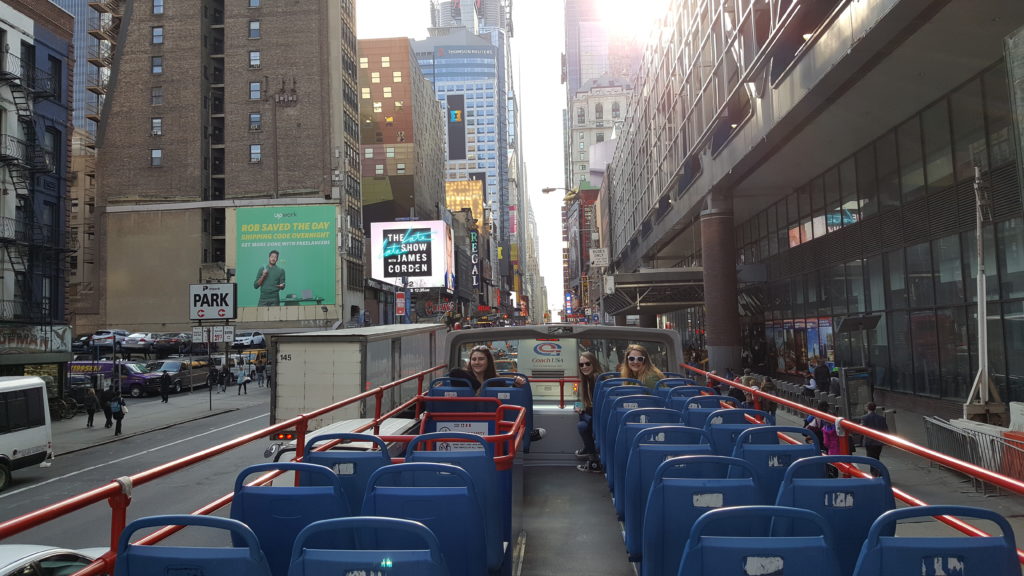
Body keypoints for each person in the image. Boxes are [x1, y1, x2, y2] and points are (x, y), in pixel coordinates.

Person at [449, 345, 545, 442]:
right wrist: (479, 386)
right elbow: (454, 372)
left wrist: (516, 385)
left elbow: (508, 396)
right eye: (474, 359)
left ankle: (524, 432)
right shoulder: (464, 379)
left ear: (488, 361)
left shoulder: (496, 380)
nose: (477, 362)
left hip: (492, 419)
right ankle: (523, 434)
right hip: (468, 420)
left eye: (481, 359)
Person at [574, 351, 603, 472]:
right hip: (597, 416)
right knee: (582, 423)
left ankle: (593, 460)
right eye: (581, 365)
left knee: (582, 426)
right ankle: (590, 452)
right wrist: (580, 408)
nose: (584, 367)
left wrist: (581, 412)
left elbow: (596, 407)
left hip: (600, 418)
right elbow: (589, 403)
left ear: (594, 364)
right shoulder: (588, 380)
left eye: (587, 363)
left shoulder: (596, 379)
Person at [857, 402, 888, 474]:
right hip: (879, 441)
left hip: (869, 441)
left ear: (867, 408)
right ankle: (878, 471)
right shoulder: (881, 418)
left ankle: (875, 473)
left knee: (871, 458)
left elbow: (862, 429)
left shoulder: (864, 418)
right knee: (877, 457)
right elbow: (885, 429)